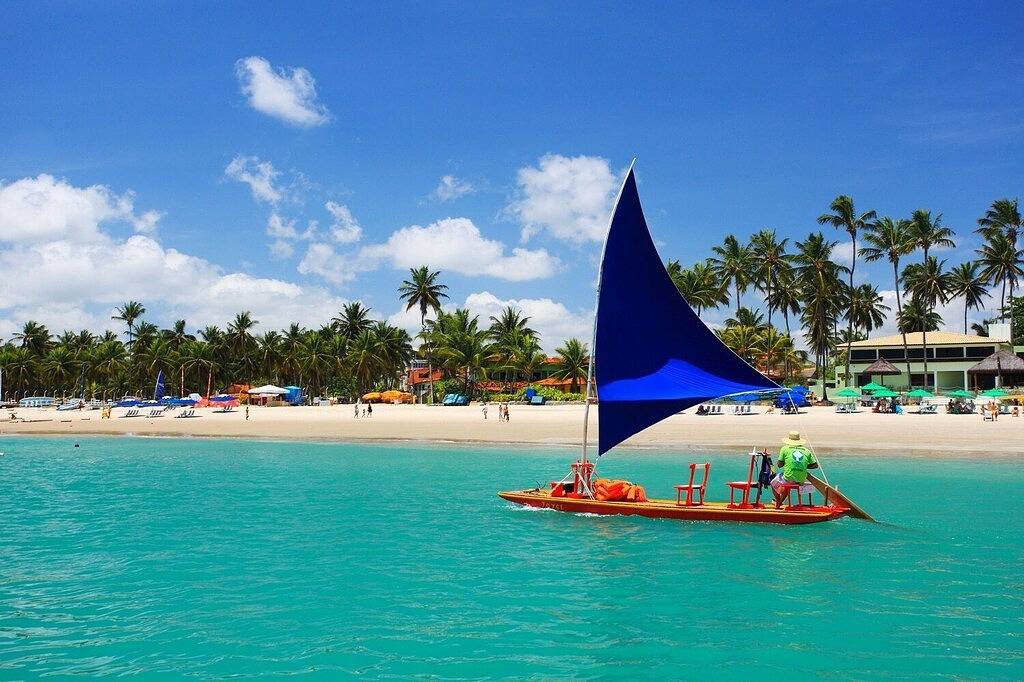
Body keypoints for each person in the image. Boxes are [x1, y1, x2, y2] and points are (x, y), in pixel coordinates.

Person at [771, 430, 819, 508]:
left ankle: (778, 502)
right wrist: (803, 466)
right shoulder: (806, 451)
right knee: (786, 483)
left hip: (788, 478)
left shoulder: (785, 449)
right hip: (801, 479)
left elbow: (779, 465)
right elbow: (815, 465)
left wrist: (787, 463)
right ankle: (779, 502)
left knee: (773, 481)